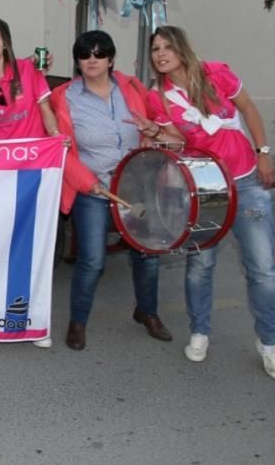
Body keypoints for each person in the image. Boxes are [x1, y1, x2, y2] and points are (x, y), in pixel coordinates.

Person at [147, 25, 275, 380]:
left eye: (166, 46)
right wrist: (158, 135)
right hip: (205, 188)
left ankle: (270, 343)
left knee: (263, 269)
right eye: (155, 49)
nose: (160, 53)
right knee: (200, 266)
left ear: (181, 48)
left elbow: (250, 110)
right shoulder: (159, 97)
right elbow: (181, 143)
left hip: (246, 180)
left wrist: (264, 152)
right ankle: (200, 332)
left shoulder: (216, 73)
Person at [50, 30, 173, 351]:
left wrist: (152, 137)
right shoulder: (64, 97)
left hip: (137, 186)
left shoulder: (132, 87)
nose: (92, 60)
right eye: (85, 54)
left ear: (111, 58)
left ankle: (146, 312)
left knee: (147, 253)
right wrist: (90, 183)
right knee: (92, 260)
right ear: (77, 60)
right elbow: (61, 151)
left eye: (99, 53)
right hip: (92, 189)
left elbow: (156, 127)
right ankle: (78, 321)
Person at [0, 15, 62, 348]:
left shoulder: (28, 69)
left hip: (34, 169)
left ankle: (37, 320)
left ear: (6, 41)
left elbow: (46, 108)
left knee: (34, 244)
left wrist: (55, 138)